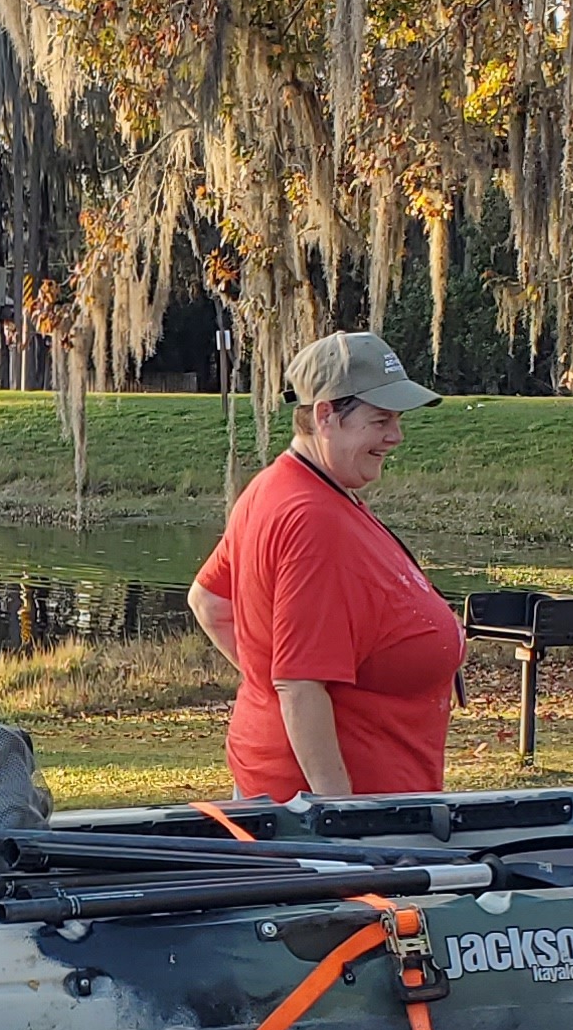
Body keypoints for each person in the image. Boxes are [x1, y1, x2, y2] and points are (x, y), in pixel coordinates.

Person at [188, 331, 468, 799]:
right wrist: (339, 818)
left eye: (397, 419)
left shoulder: (279, 487)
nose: (395, 436)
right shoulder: (312, 518)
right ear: (325, 416)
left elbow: (211, 600)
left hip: (299, 792)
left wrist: (267, 686)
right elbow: (299, 685)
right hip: (341, 818)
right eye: (380, 420)